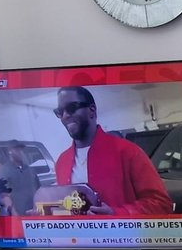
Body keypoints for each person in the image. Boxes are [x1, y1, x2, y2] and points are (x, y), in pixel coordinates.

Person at [52, 85, 173, 215]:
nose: (65, 116)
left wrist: (116, 213)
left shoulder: (129, 152)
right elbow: (67, 208)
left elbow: (161, 204)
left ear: (92, 110)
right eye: (60, 111)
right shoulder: (61, 162)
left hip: (122, 229)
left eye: (72, 108)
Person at [0, 141, 40, 216]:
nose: (21, 152)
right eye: (17, 150)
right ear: (10, 151)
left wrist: (36, 208)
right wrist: (15, 215)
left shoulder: (29, 170)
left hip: (33, 214)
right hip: (17, 215)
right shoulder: (4, 171)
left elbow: (38, 191)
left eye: (21, 149)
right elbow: (5, 196)